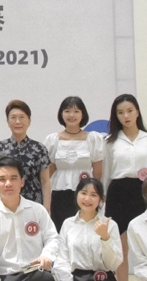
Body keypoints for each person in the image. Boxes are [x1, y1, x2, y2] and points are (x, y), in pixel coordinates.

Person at [101, 93, 147, 281]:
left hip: (144, 193)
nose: (126, 116)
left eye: (129, 110)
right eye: (120, 112)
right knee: (122, 250)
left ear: (137, 111)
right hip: (118, 193)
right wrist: (102, 204)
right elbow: (106, 175)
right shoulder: (110, 142)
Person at [54, 177, 121, 281]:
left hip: (102, 280)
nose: (87, 199)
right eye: (83, 193)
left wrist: (105, 238)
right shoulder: (68, 224)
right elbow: (62, 258)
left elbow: (114, 263)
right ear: (77, 195)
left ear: (100, 200)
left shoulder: (109, 225)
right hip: (76, 280)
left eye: (93, 195)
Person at [44, 96, 104, 231]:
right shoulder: (53, 140)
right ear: (61, 114)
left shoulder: (93, 138)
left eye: (76, 111)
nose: (72, 115)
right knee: (60, 230)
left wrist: (94, 194)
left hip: (86, 194)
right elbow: (48, 173)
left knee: (86, 228)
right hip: (60, 194)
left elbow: (98, 173)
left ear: (83, 114)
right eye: (67, 111)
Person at [0, 99, 51, 209]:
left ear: (29, 121)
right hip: (5, 206)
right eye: (13, 117)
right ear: (8, 122)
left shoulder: (40, 149)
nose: (17, 122)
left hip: (33, 206)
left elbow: (45, 181)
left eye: (22, 117)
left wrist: (46, 209)